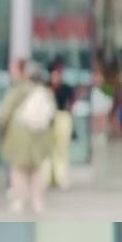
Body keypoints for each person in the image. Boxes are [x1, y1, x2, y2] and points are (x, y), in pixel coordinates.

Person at [0, 59, 54, 214]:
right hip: (39, 136)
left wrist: (1, 132)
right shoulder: (44, 92)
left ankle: (19, 201)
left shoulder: (17, 91)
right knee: (37, 170)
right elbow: (51, 116)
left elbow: (4, 114)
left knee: (19, 170)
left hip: (19, 135)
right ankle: (37, 202)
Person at [47, 60, 74, 189]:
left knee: (61, 150)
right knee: (48, 150)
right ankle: (48, 178)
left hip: (62, 118)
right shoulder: (47, 87)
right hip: (48, 119)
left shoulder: (67, 88)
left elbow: (71, 103)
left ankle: (61, 178)